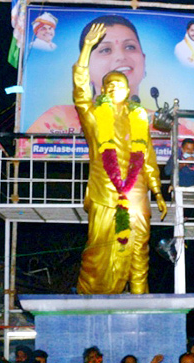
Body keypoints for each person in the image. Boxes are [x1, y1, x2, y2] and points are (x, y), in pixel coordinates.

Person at [74, 22, 167, 295]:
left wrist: (158, 191)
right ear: (103, 91)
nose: (117, 89)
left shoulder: (139, 120)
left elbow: (148, 159)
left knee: (139, 247)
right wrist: (88, 49)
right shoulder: (94, 119)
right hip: (106, 194)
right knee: (99, 251)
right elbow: (80, 91)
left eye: (121, 85)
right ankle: (94, 296)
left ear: (128, 91)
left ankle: (141, 301)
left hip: (137, 191)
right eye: (111, 85)